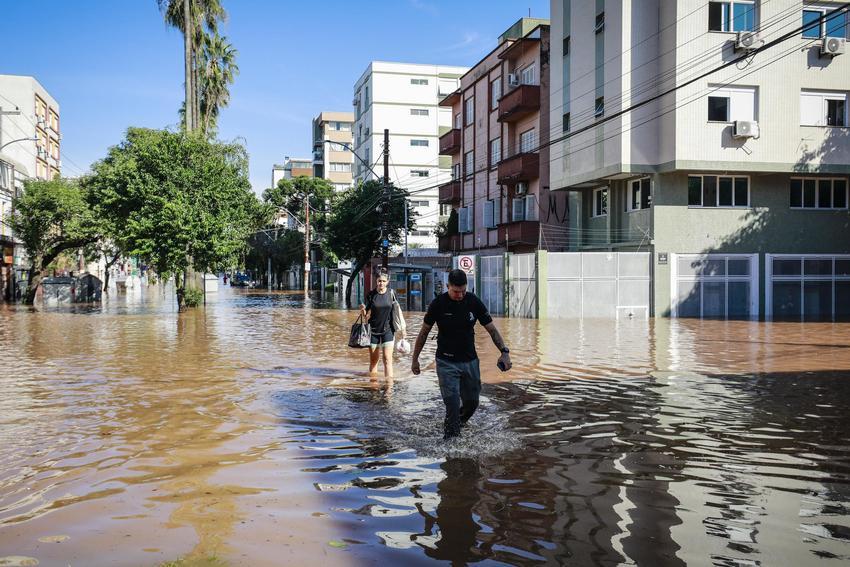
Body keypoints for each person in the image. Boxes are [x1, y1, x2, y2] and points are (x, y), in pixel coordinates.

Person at [411, 269, 512, 439]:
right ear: (447, 286)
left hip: (470, 361)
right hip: (445, 362)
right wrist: (415, 360)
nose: (460, 295)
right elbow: (423, 333)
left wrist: (504, 352)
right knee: (451, 403)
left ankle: (457, 423)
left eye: (463, 291)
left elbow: (492, 329)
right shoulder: (438, 304)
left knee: (472, 403)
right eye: (456, 291)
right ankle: (451, 445)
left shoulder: (473, 302)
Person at [359, 269, 404, 378]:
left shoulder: (392, 294)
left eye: (384, 281)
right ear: (376, 281)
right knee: (374, 361)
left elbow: (398, 312)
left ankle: (389, 388)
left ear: (387, 282)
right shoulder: (371, 295)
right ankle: (373, 387)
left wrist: (403, 330)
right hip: (373, 331)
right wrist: (363, 310)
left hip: (388, 330)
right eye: (379, 281)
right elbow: (365, 315)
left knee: (388, 360)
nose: (381, 283)